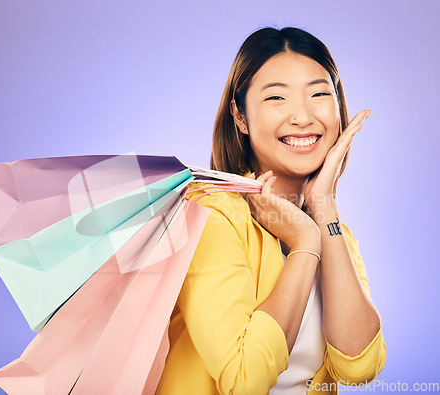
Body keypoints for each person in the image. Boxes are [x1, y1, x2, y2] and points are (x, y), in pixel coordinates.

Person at [156, 27, 386, 394]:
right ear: (241, 117)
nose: (302, 117)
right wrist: (305, 245)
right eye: (277, 97)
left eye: (320, 94)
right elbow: (244, 379)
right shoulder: (211, 217)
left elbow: (358, 366)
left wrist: (324, 212)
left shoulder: (334, 231)